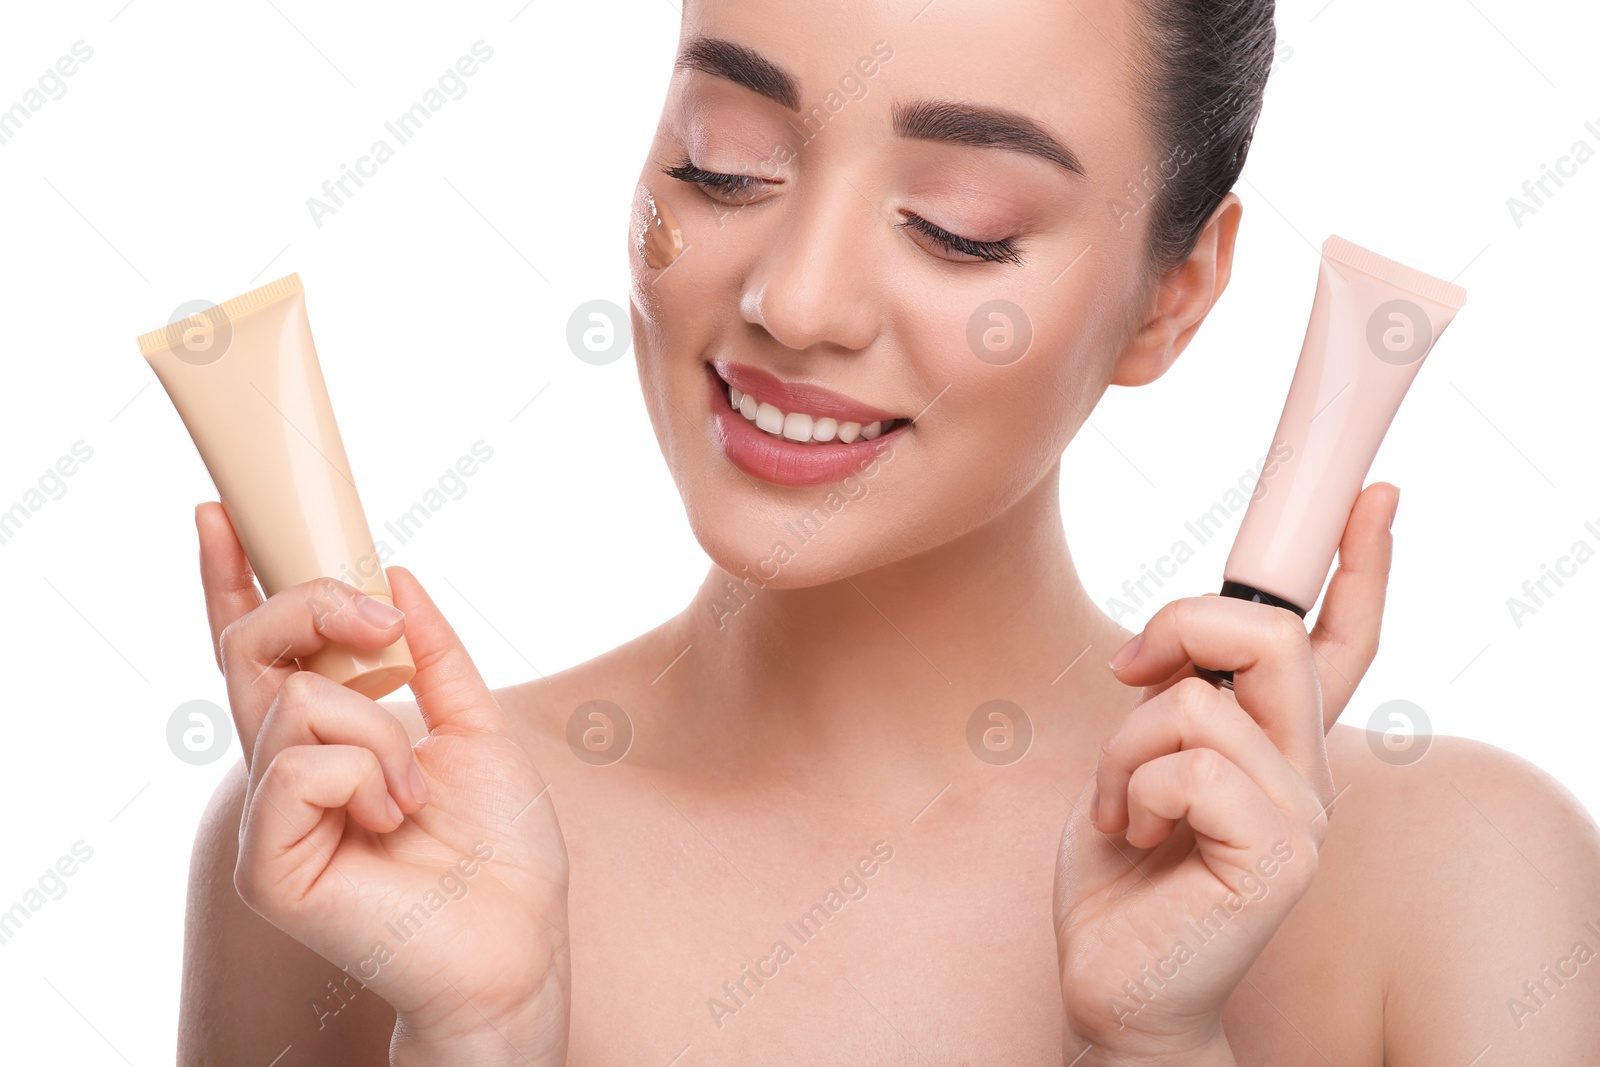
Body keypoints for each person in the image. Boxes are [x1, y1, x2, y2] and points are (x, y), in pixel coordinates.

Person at [178, 1, 1600, 1063]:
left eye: (960, 226)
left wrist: (1157, 1046)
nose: (796, 300)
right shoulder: (356, 845)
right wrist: (483, 1035)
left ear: (1174, 295)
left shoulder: (1451, 878)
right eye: (722, 163)